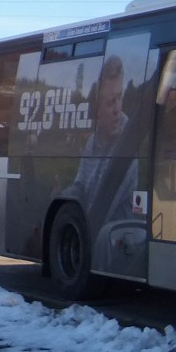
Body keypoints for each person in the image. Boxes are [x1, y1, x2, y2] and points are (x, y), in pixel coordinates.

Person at [61, 55, 139, 238]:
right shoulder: (93, 142)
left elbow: (101, 209)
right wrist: (61, 197)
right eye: (111, 102)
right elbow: (81, 186)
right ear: (97, 110)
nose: (117, 109)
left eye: (119, 98)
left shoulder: (127, 142)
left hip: (117, 238)